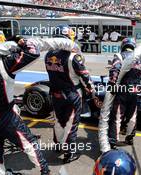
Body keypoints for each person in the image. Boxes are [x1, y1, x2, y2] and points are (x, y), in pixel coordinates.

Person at [0, 30, 79, 175]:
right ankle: (45, 171)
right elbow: (33, 51)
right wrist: (17, 42)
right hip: (5, 116)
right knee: (30, 143)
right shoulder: (5, 63)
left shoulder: (48, 57)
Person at [45, 25, 95, 163]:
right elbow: (85, 77)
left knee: (58, 121)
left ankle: (58, 145)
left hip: (55, 94)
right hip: (72, 94)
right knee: (71, 124)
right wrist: (91, 91)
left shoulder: (48, 55)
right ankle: (69, 153)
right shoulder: (73, 57)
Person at [98, 38, 141, 153]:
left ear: (123, 45)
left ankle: (113, 141)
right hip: (135, 91)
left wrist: (112, 87)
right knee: (132, 116)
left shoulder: (119, 56)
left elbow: (114, 71)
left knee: (117, 116)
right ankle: (129, 138)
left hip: (122, 91)